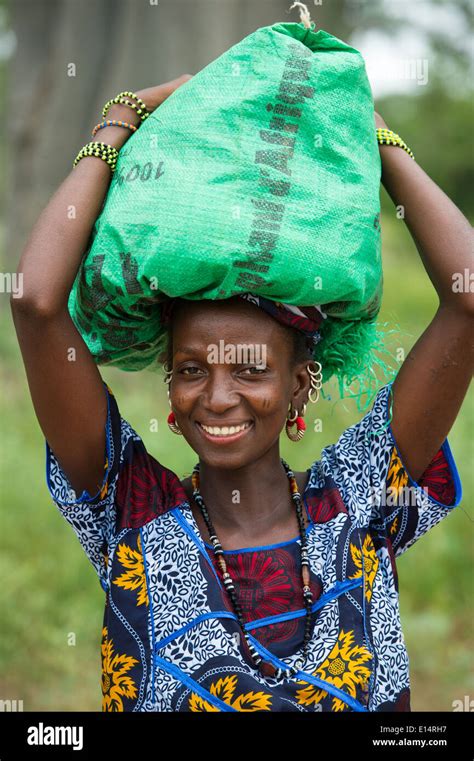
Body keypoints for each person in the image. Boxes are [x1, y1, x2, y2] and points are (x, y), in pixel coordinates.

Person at [10, 77, 473, 713]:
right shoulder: (133, 512)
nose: (217, 396)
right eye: (193, 369)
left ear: (298, 387)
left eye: (250, 370)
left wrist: (365, 128)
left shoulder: (358, 501)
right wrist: (121, 118)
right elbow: (36, 305)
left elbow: (468, 299)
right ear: (170, 385)